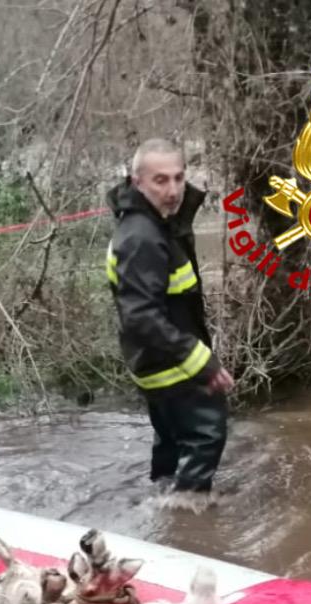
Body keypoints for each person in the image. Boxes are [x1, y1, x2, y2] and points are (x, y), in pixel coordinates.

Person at [107, 138, 234, 506]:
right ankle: (186, 518)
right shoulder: (141, 238)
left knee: (173, 442)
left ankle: (162, 503)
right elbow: (140, 315)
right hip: (171, 362)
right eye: (160, 180)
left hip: (155, 361)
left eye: (179, 178)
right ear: (137, 182)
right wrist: (201, 361)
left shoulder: (152, 225)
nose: (174, 190)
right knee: (207, 436)